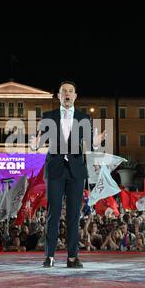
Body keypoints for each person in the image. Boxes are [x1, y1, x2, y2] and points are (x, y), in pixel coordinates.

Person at [30, 81, 106, 268]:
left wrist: (95, 143)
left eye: (70, 91)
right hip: (55, 169)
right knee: (52, 214)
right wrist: (34, 145)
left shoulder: (84, 118)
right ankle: (50, 257)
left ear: (75, 96)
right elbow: (39, 142)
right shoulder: (49, 117)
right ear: (58, 95)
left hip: (76, 171)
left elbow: (90, 142)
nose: (67, 94)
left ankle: (73, 257)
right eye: (64, 91)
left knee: (73, 215)